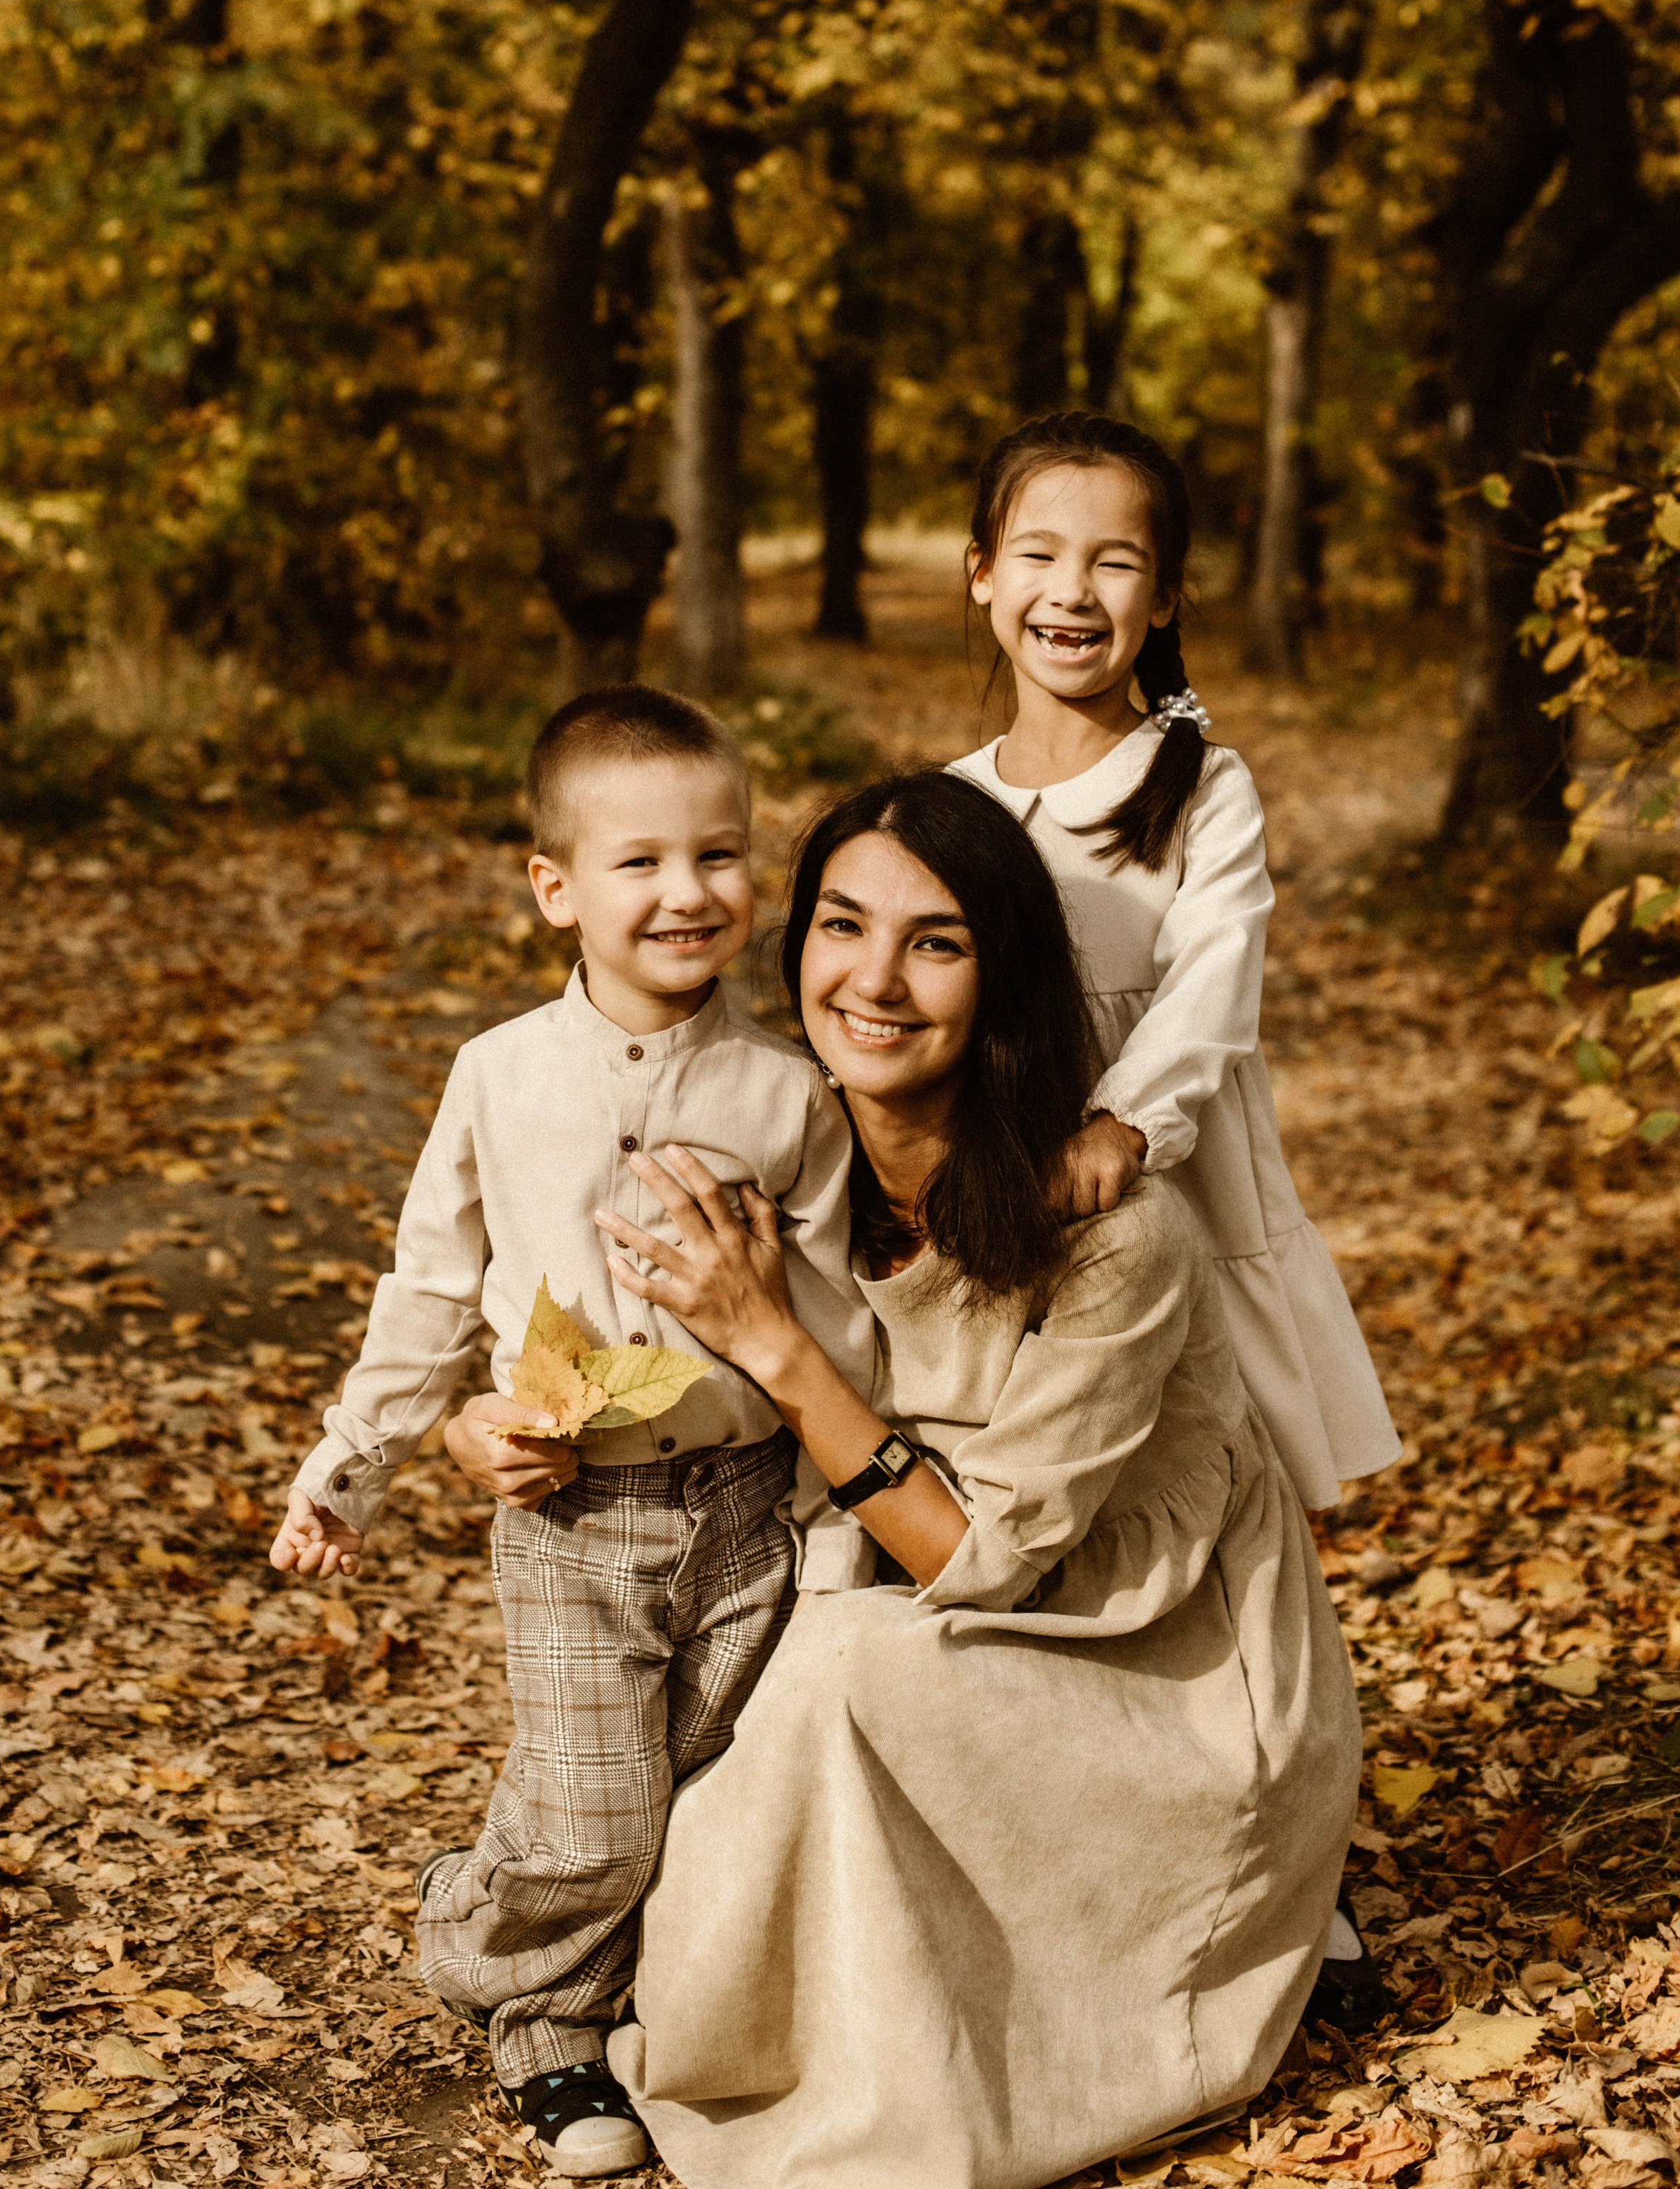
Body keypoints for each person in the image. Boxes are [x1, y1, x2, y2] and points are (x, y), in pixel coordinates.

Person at [556, 767, 1362, 2189]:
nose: (873, 980)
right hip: (939, 1620)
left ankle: (840, 2081)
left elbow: (981, 1562)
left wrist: (773, 1343)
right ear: (790, 941)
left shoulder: (1110, 1227)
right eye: (839, 927)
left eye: (935, 943)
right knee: (739, 1655)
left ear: (1002, 979)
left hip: (1161, 1677)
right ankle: (690, 2006)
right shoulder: (784, 1147)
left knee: (838, 1671)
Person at [268, 686, 873, 2182]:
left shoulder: (788, 1090)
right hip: (568, 1518)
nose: (688, 892)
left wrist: (836, 1516)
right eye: (640, 862)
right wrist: (352, 1467)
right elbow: (428, 1282)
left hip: (743, 1508)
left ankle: (588, 1946)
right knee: (597, 1816)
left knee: (692, 1789)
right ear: (555, 889)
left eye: (720, 856)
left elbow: (842, 1321)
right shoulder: (499, 1074)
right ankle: (531, 2009)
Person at [952, 410, 1401, 1517]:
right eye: (1039, 555)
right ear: (981, 575)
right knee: (1049, 1443)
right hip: (1012, 1167)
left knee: (1211, 1448)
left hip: (1169, 1157)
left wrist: (1125, 1121)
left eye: (1115, 563)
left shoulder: (1202, 784)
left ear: (1161, 601)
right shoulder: (953, 803)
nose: (1073, 591)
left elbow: (1217, 975)